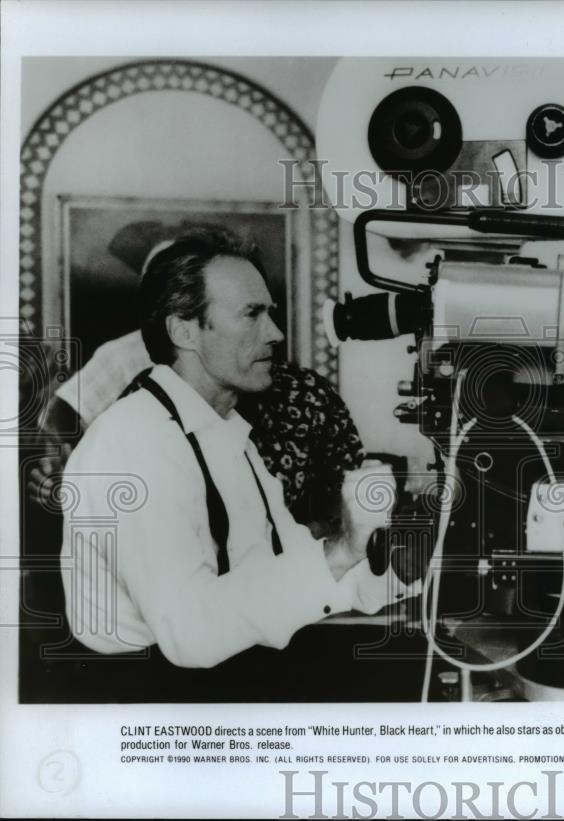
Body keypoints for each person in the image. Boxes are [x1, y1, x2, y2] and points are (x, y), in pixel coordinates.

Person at [59, 227, 418, 673]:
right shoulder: (134, 443)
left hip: (222, 675)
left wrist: (403, 563)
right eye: (252, 314)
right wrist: (342, 548)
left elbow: (285, 568)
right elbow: (189, 634)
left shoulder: (228, 431)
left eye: (271, 313)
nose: (275, 333)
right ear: (185, 330)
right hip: (142, 695)